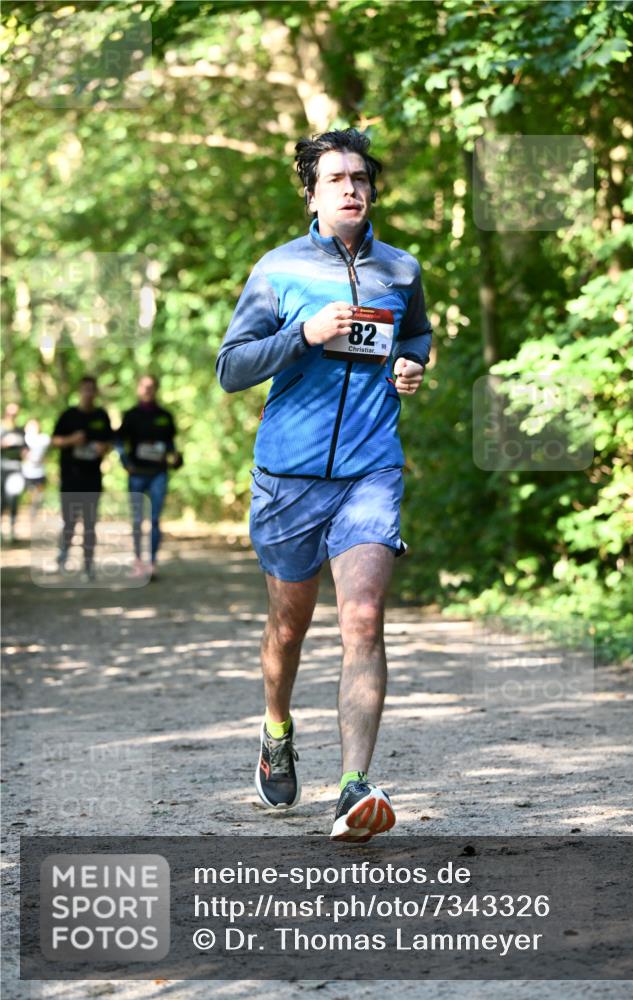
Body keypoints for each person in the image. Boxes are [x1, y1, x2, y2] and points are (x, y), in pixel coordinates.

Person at [216, 128, 432, 843]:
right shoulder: (277, 271)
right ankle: (275, 727)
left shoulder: (399, 270)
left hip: (371, 468)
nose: (351, 188)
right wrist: (302, 335)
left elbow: (415, 337)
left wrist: (409, 366)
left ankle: (352, 788)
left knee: (363, 619)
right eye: (335, 178)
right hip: (289, 476)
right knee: (288, 626)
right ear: (310, 191)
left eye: (360, 177)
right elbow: (232, 367)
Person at [117, 375, 181, 581]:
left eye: (151, 387)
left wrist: (176, 458)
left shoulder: (165, 416)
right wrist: (126, 463)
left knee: (154, 520)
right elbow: (118, 442)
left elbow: (171, 446)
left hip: (158, 475)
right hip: (137, 475)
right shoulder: (130, 416)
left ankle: (151, 563)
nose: (148, 390)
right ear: (138, 389)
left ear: (156, 389)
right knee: (137, 521)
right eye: (144, 387)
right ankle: (137, 562)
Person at [52, 375, 113, 581]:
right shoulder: (68, 415)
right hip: (70, 477)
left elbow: (110, 443)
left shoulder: (102, 416)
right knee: (69, 520)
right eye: (84, 389)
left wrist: (102, 448)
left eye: (91, 389)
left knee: (89, 524)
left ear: (95, 392)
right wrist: (72, 440)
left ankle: (88, 565)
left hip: (92, 478)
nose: (88, 393)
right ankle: (64, 555)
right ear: (80, 391)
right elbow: (55, 440)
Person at [1, 402, 26, 543]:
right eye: (10, 413)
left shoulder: (19, 430)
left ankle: (12, 530)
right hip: (1, 469)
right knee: (1, 500)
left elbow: (25, 449)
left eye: (15, 413)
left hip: (16, 469)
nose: (12, 416)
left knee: (13, 498)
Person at [22, 418, 51, 517]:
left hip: (40, 472)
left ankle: (35, 512)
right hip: (27, 472)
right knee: (30, 493)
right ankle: (31, 512)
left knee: (38, 496)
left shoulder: (43, 439)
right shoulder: (24, 439)